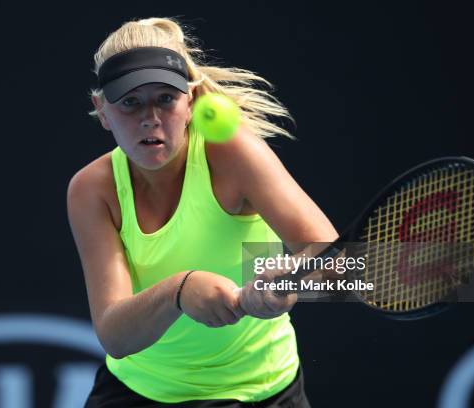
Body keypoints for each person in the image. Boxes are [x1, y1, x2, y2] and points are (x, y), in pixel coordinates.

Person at [67, 17, 338, 407]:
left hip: (263, 393)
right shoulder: (91, 189)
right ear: (102, 110)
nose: (150, 118)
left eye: (166, 98)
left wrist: (288, 283)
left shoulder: (232, 152)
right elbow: (115, 336)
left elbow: (337, 263)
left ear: (190, 100)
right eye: (130, 102)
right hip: (138, 393)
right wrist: (180, 290)